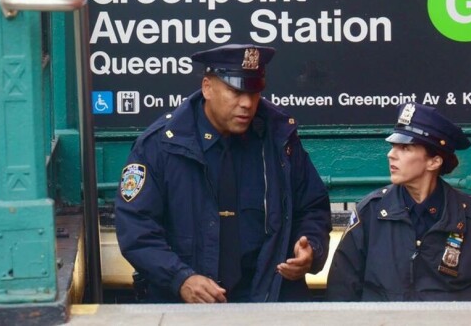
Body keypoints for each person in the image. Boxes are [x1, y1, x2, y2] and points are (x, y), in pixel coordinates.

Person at [114, 44, 331, 303]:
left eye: (255, 92)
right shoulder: (160, 145)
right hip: (185, 306)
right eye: (236, 91)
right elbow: (137, 229)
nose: (247, 103)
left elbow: (312, 208)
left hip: (268, 299)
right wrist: (180, 278)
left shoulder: (278, 138)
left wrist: (309, 249)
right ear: (207, 87)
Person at [326, 102, 471, 301]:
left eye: (405, 148)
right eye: (393, 146)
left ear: (434, 161)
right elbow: (341, 290)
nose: (391, 154)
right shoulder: (370, 212)